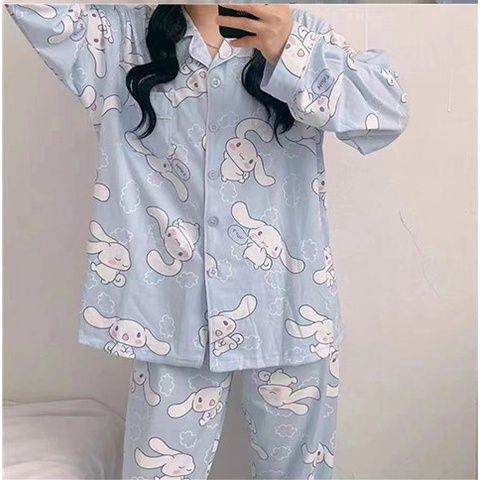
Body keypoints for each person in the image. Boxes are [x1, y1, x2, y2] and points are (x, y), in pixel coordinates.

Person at [5, 3, 408, 478]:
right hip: (171, 316)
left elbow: (386, 112)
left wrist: (292, 52)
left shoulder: (299, 34)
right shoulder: (117, 43)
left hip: (291, 311)